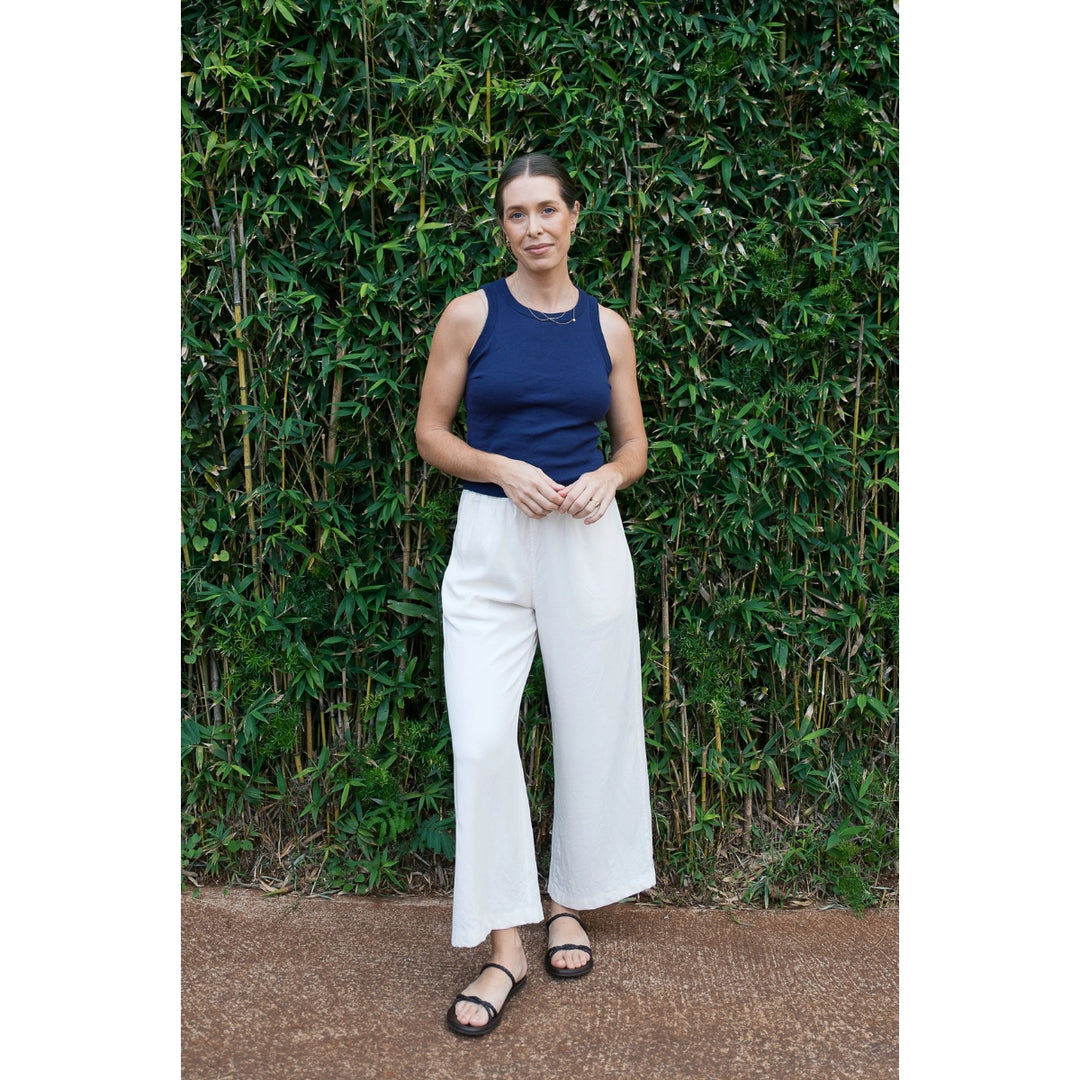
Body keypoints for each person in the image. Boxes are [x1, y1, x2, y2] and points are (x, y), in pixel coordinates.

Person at [415, 152, 655, 1037]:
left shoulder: (610, 328)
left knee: (591, 726)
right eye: (517, 215)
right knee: (481, 740)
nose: (534, 227)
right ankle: (503, 943)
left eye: (547, 210)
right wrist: (499, 466)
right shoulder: (470, 316)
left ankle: (569, 902)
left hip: (585, 540)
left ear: (576, 217)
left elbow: (633, 446)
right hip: (488, 542)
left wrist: (609, 478)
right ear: (503, 227)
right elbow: (431, 432)